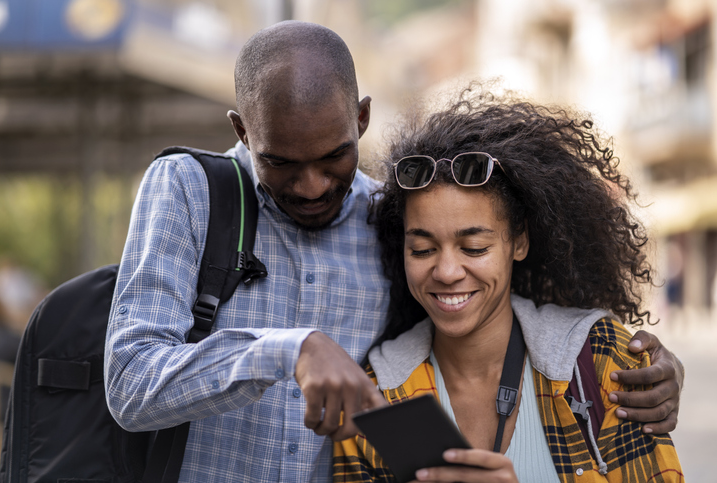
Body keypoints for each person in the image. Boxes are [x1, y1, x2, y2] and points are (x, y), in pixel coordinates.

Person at [105, 21, 682, 482]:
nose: (310, 185)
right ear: (242, 130)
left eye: (333, 155)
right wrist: (289, 350)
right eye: (280, 161)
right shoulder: (188, 189)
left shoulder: (392, 217)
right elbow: (130, 383)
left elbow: (493, 303)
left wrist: (634, 359)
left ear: (362, 118)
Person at [334, 87, 683, 482]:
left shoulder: (599, 359)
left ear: (519, 241)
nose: (447, 271)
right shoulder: (379, 396)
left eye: (474, 247)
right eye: (422, 249)